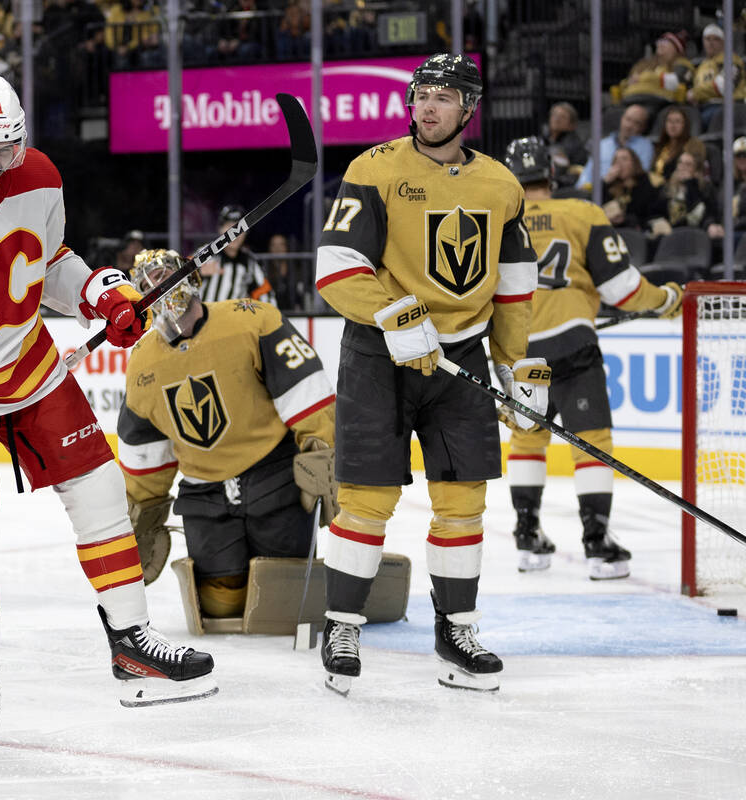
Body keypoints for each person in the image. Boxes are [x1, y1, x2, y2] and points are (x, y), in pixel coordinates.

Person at [0, 75, 216, 743]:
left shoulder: (40, 175)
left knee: (102, 490)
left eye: (6, 149)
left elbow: (47, 260)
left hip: (28, 365)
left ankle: (132, 639)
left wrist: (101, 294)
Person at [313, 53, 543, 695]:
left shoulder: (500, 185)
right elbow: (334, 266)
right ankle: (343, 625)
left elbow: (514, 287)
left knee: (463, 500)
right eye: (421, 96)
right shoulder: (374, 168)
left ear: (470, 109)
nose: (428, 108)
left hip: (460, 356)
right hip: (377, 354)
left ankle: (457, 628)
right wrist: (393, 315)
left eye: (444, 98)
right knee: (367, 498)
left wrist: (516, 365)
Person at [117, 248, 336, 619]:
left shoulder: (253, 321)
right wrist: (144, 512)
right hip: (206, 497)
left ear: (193, 280)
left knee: (282, 599)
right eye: (149, 285)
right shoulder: (142, 364)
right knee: (222, 608)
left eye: (166, 277)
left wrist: (324, 452)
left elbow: (307, 393)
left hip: (275, 480)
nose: (161, 289)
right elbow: (145, 452)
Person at [502, 138, 683, 579]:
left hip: (519, 349)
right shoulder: (582, 213)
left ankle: (528, 537)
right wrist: (666, 300)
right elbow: (622, 288)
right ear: (551, 173)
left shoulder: (499, 224)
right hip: (572, 344)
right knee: (592, 439)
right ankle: (597, 544)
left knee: (528, 439)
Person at [199, 204, 273, 303]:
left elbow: (266, 296)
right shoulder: (205, 253)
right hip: (204, 317)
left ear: (246, 233)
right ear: (220, 229)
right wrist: (197, 274)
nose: (234, 234)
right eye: (229, 227)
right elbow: (180, 281)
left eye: (239, 229)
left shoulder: (250, 262)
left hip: (232, 317)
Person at [614, 31, 694, 116]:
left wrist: (648, 78)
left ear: (676, 49)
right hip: (631, 98)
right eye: (660, 42)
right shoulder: (644, 64)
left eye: (667, 43)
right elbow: (626, 83)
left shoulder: (681, 64)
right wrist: (628, 83)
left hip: (658, 102)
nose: (661, 44)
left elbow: (677, 81)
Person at [577, 104, 653, 189]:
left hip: (622, 193)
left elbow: (641, 176)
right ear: (622, 119)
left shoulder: (645, 146)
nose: (629, 125)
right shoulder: (603, 144)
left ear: (643, 128)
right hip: (592, 192)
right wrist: (581, 189)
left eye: (636, 123)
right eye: (628, 119)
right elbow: (587, 173)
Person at [601, 146, 670, 236]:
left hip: (639, 233)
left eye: (624, 159)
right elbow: (595, 206)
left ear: (634, 163)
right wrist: (605, 182)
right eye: (616, 160)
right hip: (613, 232)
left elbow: (652, 214)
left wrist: (626, 219)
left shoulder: (647, 183)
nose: (619, 164)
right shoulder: (610, 186)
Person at [689, 24, 745, 127]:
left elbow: (723, 87)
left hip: (726, 106)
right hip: (703, 107)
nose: (710, 43)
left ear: (723, 42)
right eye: (707, 39)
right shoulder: (701, 66)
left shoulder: (731, 60)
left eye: (716, 39)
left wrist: (695, 93)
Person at [665, 150, 724, 239]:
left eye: (688, 164)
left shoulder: (705, 188)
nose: (682, 167)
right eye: (680, 163)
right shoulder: (667, 188)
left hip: (695, 233)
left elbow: (699, 211)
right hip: (669, 233)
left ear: (696, 170)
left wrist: (690, 183)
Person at [650, 105, 706, 182]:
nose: (672, 125)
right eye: (669, 121)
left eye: (677, 121)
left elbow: (694, 171)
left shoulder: (694, 144)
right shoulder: (661, 145)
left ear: (685, 125)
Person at [540, 101, 587, 187]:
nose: (557, 119)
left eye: (562, 117)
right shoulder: (542, 140)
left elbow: (578, 172)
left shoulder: (575, 146)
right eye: (554, 115)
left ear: (572, 125)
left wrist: (557, 183)